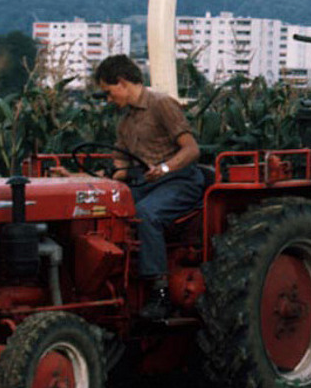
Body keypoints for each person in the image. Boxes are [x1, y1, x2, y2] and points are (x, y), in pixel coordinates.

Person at [52, 54, 203, 320]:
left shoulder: (161, 104)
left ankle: (160, 293)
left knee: (146, 214)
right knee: (102, 207)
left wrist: (166, 168)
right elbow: (119, 172)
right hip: (146, 183)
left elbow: (191, 150)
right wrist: (76, 177)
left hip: (179, 181)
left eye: (109, 93)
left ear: (122, 83)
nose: (109, 100)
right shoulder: (126, 123)